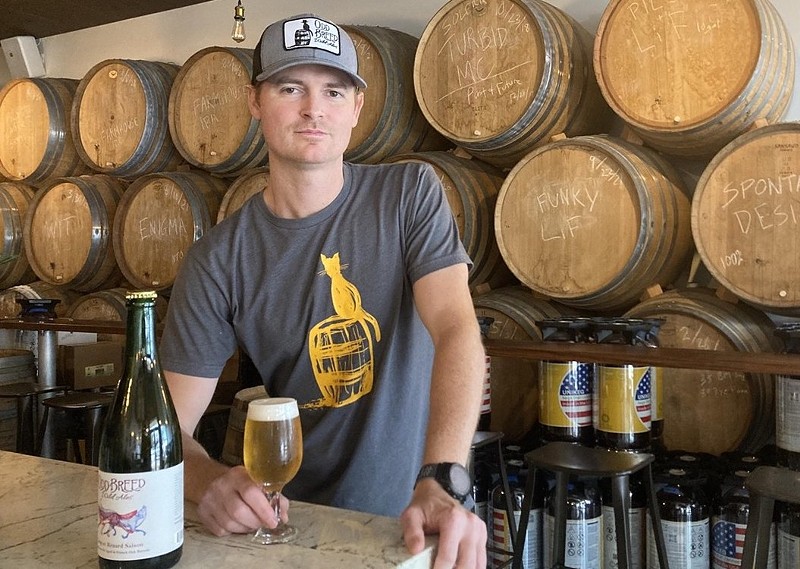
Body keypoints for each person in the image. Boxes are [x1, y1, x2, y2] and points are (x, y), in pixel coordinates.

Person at [160, 12, 487, 568]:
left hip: (423, 520)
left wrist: (442, 480)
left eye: (334, 91)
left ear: (356, 110)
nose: (314, 109)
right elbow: (165, 432)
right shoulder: (218, 260)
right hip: (294, 530)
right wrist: (209, 483)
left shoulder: (408, 195)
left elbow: (457, 329)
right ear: (254, 102)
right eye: (291, 88)